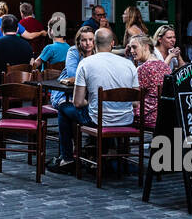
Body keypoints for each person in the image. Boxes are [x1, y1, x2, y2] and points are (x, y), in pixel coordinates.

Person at [53, 28, 139, 173]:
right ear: (112, 43)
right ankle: (105, 156)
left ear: (95, 43)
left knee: (63, 108)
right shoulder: (129, 65)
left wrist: (94, 102)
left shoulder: (86, 64)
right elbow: (136, 102)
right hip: (126, 119)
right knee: (99, 111)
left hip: (98, 120)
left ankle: (67, 158)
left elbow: (78, 103)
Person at [129, 34, 168, 133]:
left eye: (134, 47)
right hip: (163, 115)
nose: (131, 51)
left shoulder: (143, 68)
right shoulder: (165, 66)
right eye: (130, 48)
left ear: (146, 47)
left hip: (147, 116)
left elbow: (136, 99)